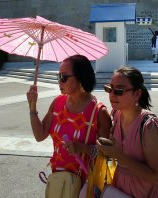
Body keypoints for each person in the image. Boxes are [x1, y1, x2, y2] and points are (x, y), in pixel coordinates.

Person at [26, 55, 111, 198]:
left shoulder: (98, 112)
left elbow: (108, 155)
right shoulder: (58, 103)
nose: (59, 81)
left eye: (64, 77)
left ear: (80, 78)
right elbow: (40, 135)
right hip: (59, 181)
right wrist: (32, 107)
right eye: (58, 76)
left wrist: (83, 148)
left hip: (85, 186)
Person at [97, 66, 158, 197]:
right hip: (120, 191)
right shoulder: (115, 114)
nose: (112, 94)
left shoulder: (149, 126)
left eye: (119, 90)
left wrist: (119, 156)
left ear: (137, 94)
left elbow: (155, 177)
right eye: (109, 88)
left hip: (147, 193)